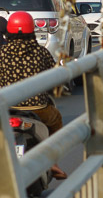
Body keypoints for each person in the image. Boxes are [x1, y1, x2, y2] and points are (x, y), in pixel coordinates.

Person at [0, 10, 67, 178]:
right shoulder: (41, 53)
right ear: (32, 31)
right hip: (37, 109)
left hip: (7, 108)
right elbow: (54, 78)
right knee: (56, 119)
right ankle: (53, 162)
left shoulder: (1, 54)